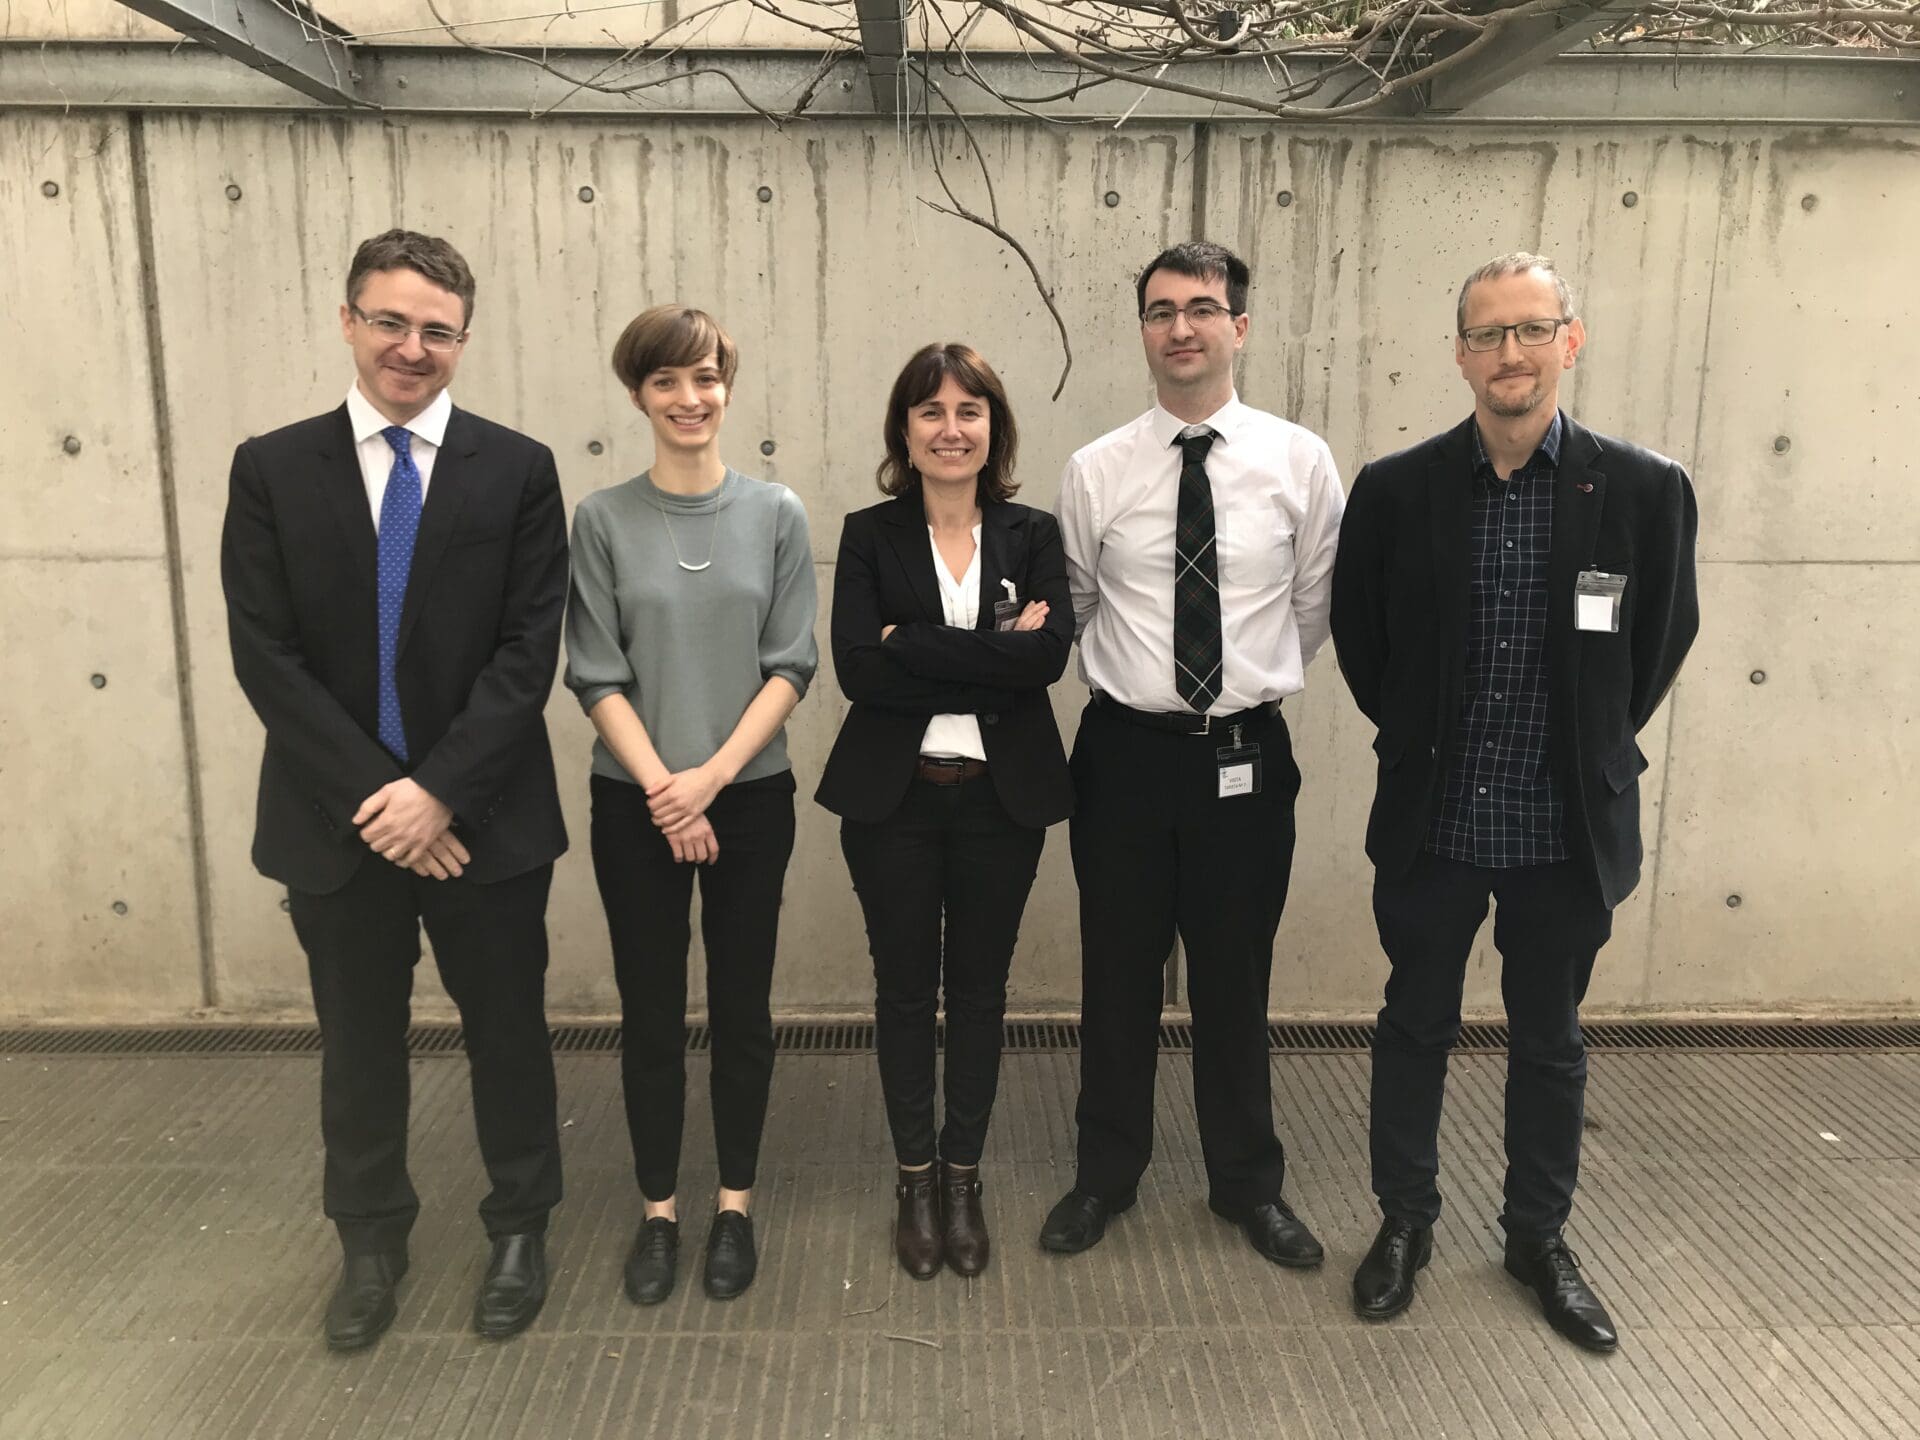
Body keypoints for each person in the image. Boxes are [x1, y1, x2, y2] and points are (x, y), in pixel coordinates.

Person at [1331, 252, 1699, 1352]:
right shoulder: (1398, 490)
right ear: (1459, 355)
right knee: (1415, 1025)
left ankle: (1537, 1238)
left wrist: (1587, 740)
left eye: (1532, 331)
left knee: (1550, 1042)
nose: (1510, 355)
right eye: (1488, 335)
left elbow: (1659, 637)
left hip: (1562, 827)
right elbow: (1365, 642)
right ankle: (1404, 1223)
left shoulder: (1640, 487)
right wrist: (1415, 736)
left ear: (1569, 342)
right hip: (1437, 818)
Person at [221, 229, 569, 1350]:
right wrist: (387, 800)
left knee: (508, 1036)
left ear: (463, 341)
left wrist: (440, 795)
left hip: (488, 824)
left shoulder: (516, 469)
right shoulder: (272, 467)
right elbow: (263, 654)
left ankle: (520, 1225)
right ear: (347, 321)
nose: (411, 348)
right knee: (358, 1046)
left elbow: (528, 652)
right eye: (390, 321)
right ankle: (371, 1241)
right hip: (336, 824)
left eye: (436, 330)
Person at [1044, 242, 1346, 1267]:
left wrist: (1234, 694)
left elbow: (1311, 611)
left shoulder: (1300, 462)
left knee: (1235, 979)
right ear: (1144, 331)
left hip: (1245, 764)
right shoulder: (1095, 470)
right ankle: (1105, 1177)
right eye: (1163, 310)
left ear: (1240, 328)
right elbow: (1078, 610)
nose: (1183, 327)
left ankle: (1246, 1187)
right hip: (1124, 760)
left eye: (1204, 308)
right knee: (1116, 977)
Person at [564, 305, 818, 1305]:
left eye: (705, 377)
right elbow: (593, 670)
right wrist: (669, 795)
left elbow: (792, 662)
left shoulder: (777, 513)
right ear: (638, 395)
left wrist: (708, 781)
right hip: (633, 802)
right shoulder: (602, 518)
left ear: (728, 386)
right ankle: (659, 1210)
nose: (689, 398)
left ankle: (734, 1206)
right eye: (666, 381)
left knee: (744, 1008)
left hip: (749, 797)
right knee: (654, 1011)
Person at [816, 343, 1073, 1280]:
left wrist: (912, 643)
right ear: (905, 431)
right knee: (900, 991)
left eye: (970, 411)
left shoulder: (1033, 533)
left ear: (993, 428)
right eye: (931, 411)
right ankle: (912, 1176)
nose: (951, 428)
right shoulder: (870, 533)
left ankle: (963, 1178)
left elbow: (1048, 662)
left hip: (1002, 802)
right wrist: (986, 650)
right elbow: (855, 668)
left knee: (977, 994)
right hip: (894, 802)